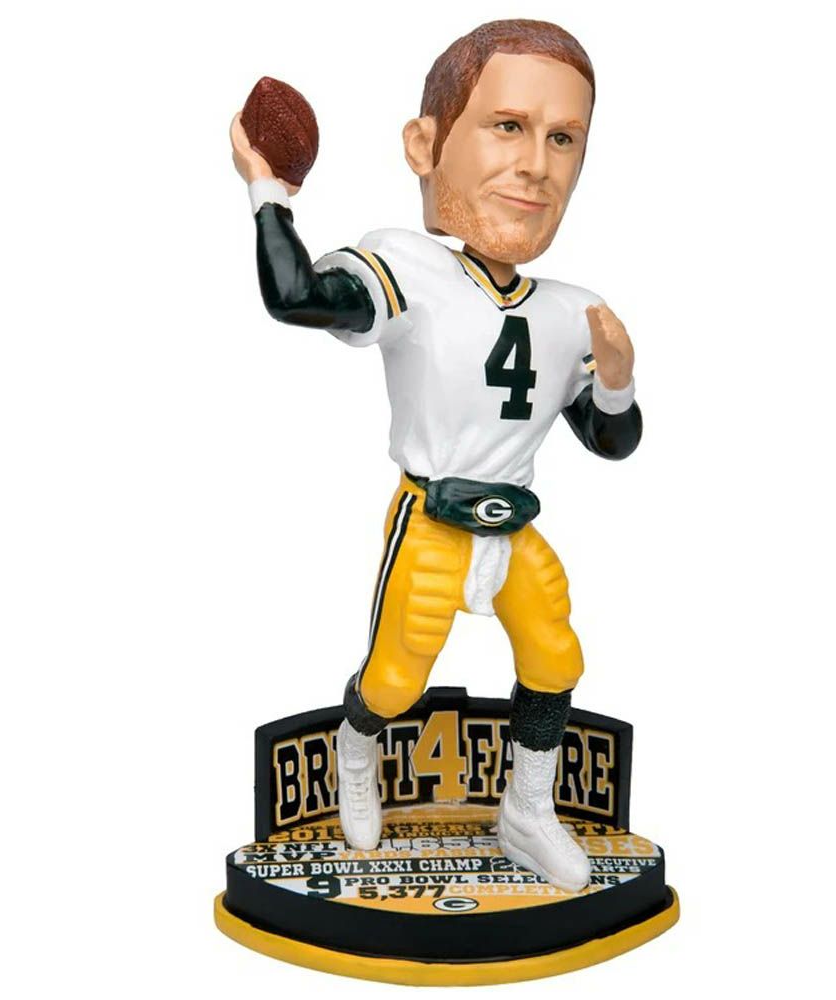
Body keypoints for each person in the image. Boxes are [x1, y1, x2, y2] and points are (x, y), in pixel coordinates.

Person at [230, 19, 642, 892]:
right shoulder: (411, 269)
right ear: (425, 145)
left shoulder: (572, 309)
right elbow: (297, 297)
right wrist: (269, 191)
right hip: (433, 516)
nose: (535, 164)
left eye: (562, 139)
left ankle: (526, 810)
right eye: (508, 126)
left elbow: (612, 441)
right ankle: (355, 748)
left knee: (556, 659)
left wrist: (615, 381)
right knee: (392, 682)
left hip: (513, 519)